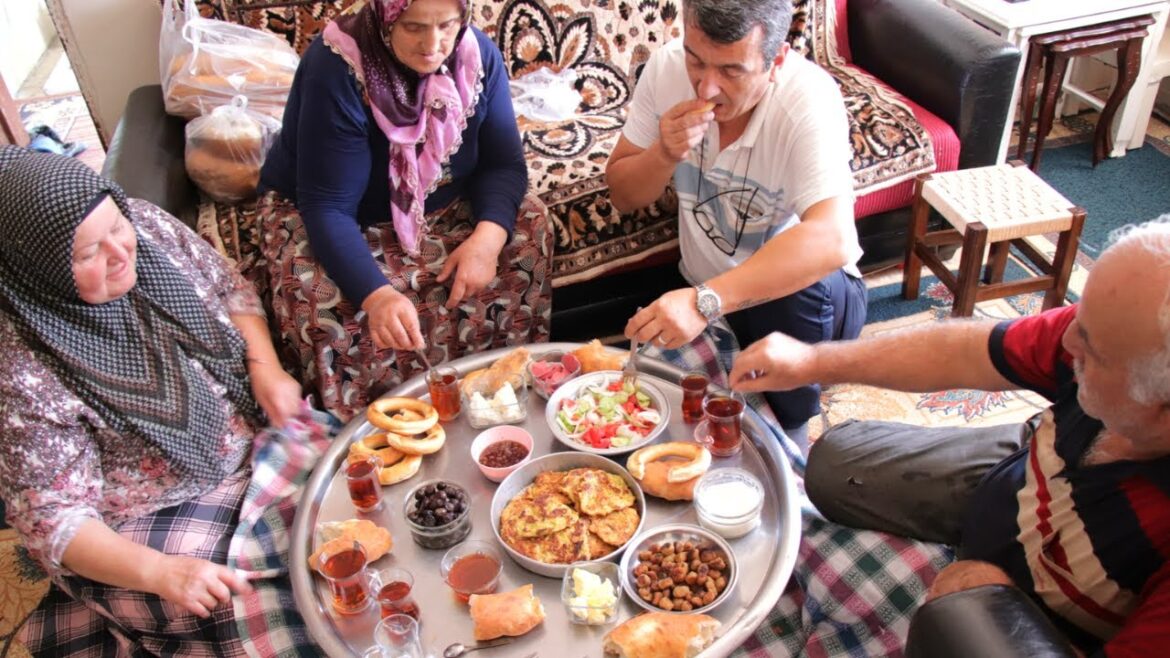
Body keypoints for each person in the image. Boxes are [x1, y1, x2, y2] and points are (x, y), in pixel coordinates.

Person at [729, 217, 1170, 655]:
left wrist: (996, 611)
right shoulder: (1104, 337)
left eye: (1090, 349)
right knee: (832, 465)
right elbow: (967, 351)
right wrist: (811, 361)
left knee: (962, 625)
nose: (1066, 336)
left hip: (1046, 620)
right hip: (1025, 476)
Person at [0, 146, 318, 656]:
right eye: (87, 254)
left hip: (256, 442)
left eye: (116, 228)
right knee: (267, 609)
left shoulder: (144, 225)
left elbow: (228, 289)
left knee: (349, 520)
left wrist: (267, 368)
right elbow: (54, 521)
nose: (122, 253)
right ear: (41, 269)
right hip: (152, 517)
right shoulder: (20, 366)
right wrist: (164, 573)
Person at [258, 0, 551, 421]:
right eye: (414, 27)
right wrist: (376, 295)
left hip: (443, 198)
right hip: (339, 214)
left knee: (528, 230)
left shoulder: (477, 56)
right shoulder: (338, 69)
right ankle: (374, 426)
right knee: (318, 291)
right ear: (386, 17)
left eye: (447, 25)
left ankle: (500, 395)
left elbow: (503, 163)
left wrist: (487, 241)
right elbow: (327, 206)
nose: (433, 45)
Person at [607, 0, 866, 450]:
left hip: (809, 303)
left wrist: (704, 301)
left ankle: (794, 434)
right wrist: (662, 155)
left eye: (731, 71)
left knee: (802, 278)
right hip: (708, 287)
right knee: (648, 400)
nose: (707, 88)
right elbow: (624, 195)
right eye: (696, 60)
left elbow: (833, 239)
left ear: (776, 60)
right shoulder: (666, 69)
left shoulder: (809, 99)